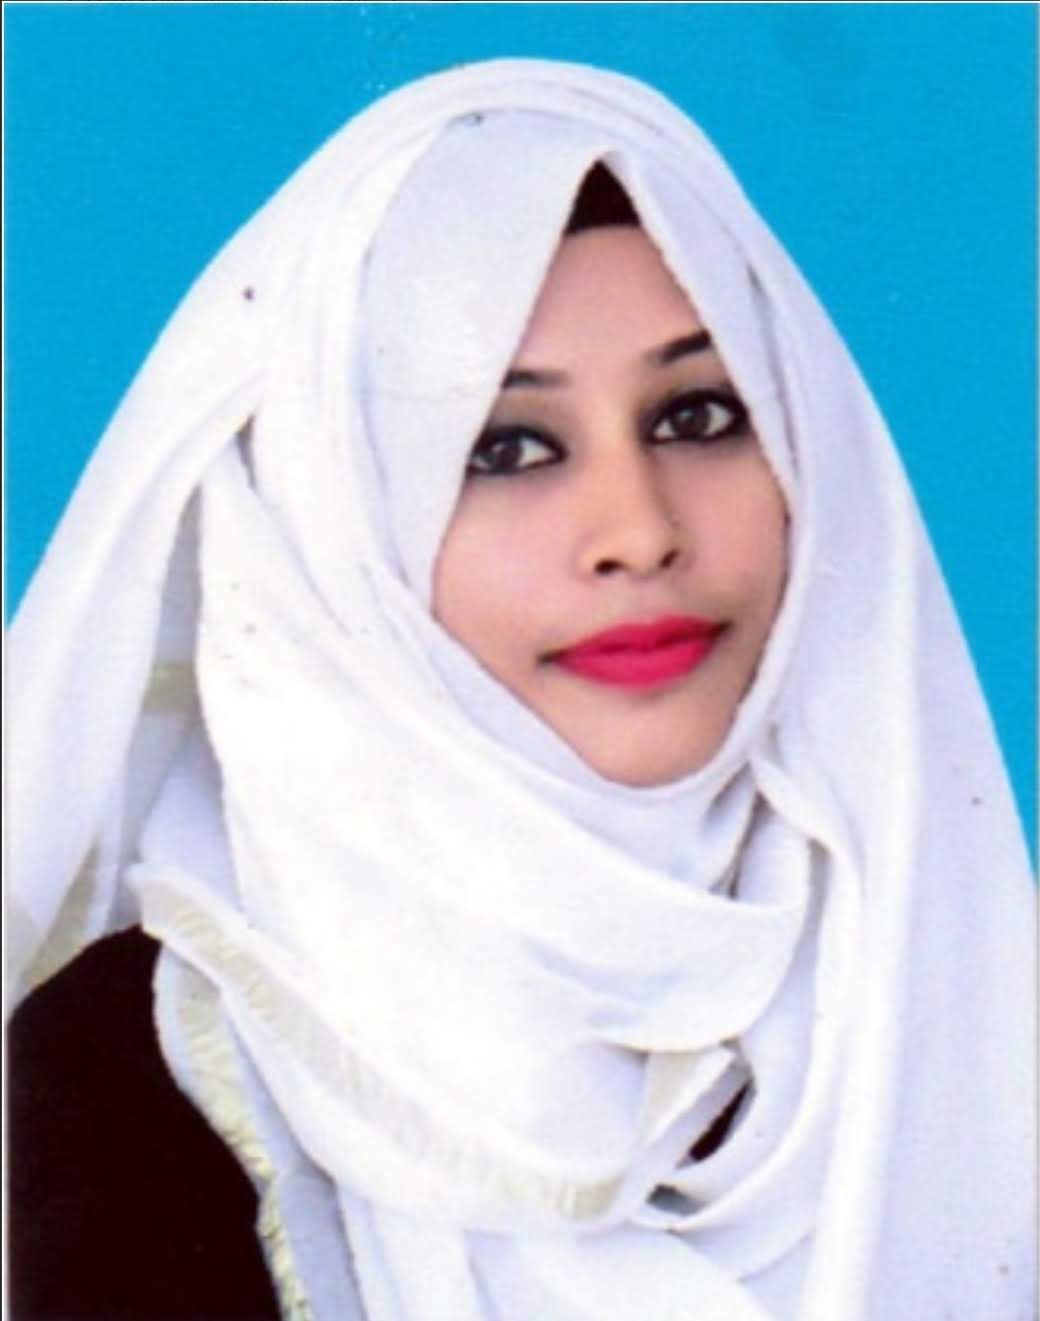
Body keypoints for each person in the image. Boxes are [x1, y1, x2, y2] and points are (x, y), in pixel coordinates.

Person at [7, 58, 1035, 1321]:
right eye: (504, 447)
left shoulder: (954, 995)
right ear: (332, 522)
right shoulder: (111, 1097)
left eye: (696, 416)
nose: (637, 531)